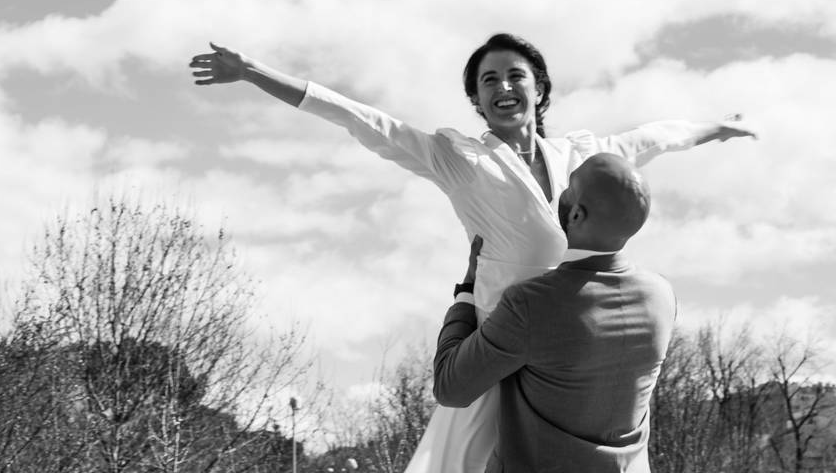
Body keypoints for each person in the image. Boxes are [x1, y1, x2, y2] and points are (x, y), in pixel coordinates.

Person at [189, 34, 755, 473]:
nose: (503, 87)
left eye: (516, 75)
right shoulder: (457, 157)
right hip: (497, 342)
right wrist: (252, 72)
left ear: (540, 89)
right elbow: (360, 118)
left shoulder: (582, 153)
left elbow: (654, 137)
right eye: (489, 81)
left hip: (575, 342)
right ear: (477, 101)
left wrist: (715, 128)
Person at [434, 153, 673, 472]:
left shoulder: (532, 303)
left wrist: (466, 291)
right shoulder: (662, 296)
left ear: (575, 214)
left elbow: (450, 387)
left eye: (569, 186)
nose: (560, 191)